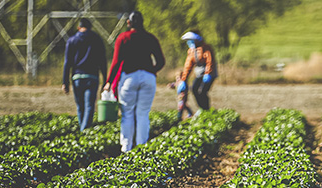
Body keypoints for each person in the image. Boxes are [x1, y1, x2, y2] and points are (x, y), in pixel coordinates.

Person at [103, 11, 165, 152]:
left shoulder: (123, 38)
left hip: (129, 78)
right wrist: (152, 71)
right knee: (143, 114)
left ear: (129, 23)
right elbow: (161, 61)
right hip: (148, 78)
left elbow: (116, 62)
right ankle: (142, 147)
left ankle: (126, 148)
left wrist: (108, 81)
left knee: (127, 114)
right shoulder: (150, 38)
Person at [61, 18, 107, 131]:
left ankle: (83, 129)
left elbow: (67, 63)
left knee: (80, 106)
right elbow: (102, 61)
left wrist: (65, 82)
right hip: (92, 77)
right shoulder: (96, 39)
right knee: (89, 106)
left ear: (79, 27)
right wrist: (106, 80)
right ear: (90, 27)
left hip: (77, 77)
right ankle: (85, 130)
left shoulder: (71, 40)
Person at [176, 30, 217, 119]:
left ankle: (207, 110)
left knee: (202, 91)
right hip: (199, 74)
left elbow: (210, 61)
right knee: (194, 89)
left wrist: (208, 73)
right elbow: (188, 66)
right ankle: (202, 109)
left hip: (209, 74)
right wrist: (183, 80)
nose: (189, 42)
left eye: (191, 40)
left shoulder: (206, 48)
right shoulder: (191, 51)